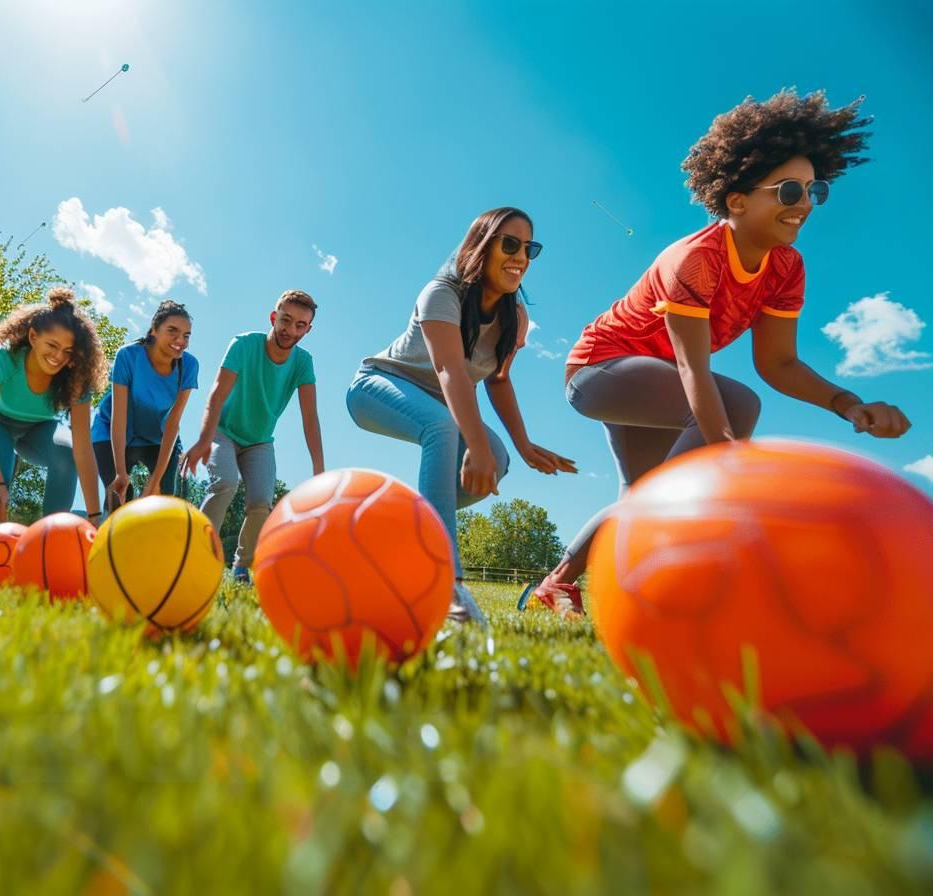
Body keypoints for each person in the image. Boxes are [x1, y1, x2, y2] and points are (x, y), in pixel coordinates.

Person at [523, 90, 912, 617]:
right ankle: (581, 580)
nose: (803, 204)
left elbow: (779, 363)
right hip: (599, 370)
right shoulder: (697, 259)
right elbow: (691, 369)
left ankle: (590, 592)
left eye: (814, 190)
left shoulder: (785, 269)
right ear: (737, 200)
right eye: (789, 189)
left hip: (656, 381)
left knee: (645, 497)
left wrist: (847, 404)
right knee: (737, 408)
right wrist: (730, 462)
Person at [347, 209, 576, 623]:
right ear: (481, 246)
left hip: (446, 407)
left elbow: (499, 381)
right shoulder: (441, 294)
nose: (521, 257)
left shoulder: (515, 317)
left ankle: (411, 525)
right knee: (443, 427)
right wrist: (472, 442)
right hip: (375, 387)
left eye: (530, 248)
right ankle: (447, 590)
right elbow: (450, 370)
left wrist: (522, 446)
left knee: (497, 459)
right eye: (510, 244)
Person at [181, 290, 325, 583]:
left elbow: (310, 418)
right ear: (274, 317)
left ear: (308, 329)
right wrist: (205, 438)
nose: (291, 330)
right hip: (224, 432)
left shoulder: (303, 363)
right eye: (286, 320)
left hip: (259, 442)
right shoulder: (244, 345)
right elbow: (217, 394)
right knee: (226, 482)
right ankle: (196, 554)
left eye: (300, 325)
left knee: (261, 502)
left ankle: (241, 568)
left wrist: (319, 472)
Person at [0, 287, 107, 541]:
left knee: (66, 453)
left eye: (68, 351)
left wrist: (95, 515)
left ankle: (48, 543)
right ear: (32, 337)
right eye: (52, 345)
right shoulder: (2, 359)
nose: (58, 356)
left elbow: (83, 449)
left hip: (38, 429)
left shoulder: (76, 380)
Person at [91, 300, 198, 510]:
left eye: (186, 335)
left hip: (157, 437)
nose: (180, 340)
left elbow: (173, 424)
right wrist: (121, 473)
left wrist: (155, 480)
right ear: (154, 331)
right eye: (172, 331)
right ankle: (109, 534)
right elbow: (119, 418)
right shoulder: (128, 356)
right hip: (114, 431)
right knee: (120, 498)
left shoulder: (189, 365)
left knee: (164, 495)